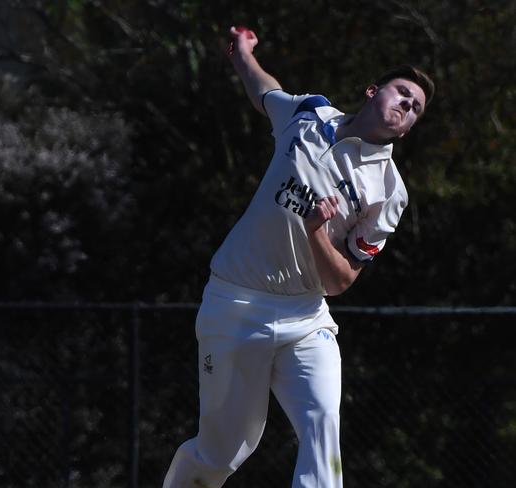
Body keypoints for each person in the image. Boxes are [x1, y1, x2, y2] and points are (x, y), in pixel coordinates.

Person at [162, 26, 435, 488]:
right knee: (222, 452)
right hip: (236, 305)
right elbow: (265, 91)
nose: (408, 105)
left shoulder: (389, 191)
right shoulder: (309, 114)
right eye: (403, 93)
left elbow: (342, 280)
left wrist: (315, 234)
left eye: (416, 109)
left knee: (323, 425)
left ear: (408, 129)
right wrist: (242, 55)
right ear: (373, 91)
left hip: (306, 316)